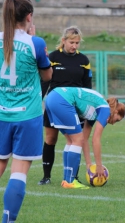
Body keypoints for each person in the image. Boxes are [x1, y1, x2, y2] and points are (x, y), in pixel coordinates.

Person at [0, 0, 52, 223]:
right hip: (28, 115)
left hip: (1, 114)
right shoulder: (35, 43)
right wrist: (33, 38)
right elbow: (47, 75)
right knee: (19, 172)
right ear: (29, 17)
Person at [38, 26, 92, 185]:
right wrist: (38, 101)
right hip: (55, 104)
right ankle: (46, 176)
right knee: (50, 138)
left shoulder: (84, 61)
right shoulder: (53, 57)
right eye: (71, 42)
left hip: (76, 106)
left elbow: (87, 87)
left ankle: (73, 177)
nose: (74, 46)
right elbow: (45, 81)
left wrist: (86, 107)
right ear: (63, 41)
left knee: (77, 140)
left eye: (77, 43)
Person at [45, 87, 125, 189]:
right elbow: (95, 140)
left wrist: (89, 164)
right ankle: (71, 181)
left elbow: (85, 139)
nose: (113, 123)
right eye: (117, 120)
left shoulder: (97, 108)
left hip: (52, 97)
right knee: (77, 140)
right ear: (116, 111)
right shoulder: (105, 110)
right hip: (62, 99)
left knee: (71, 141)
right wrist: (99, 166)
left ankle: (66, 180)